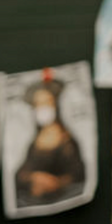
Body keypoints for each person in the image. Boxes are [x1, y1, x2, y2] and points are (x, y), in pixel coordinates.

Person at [13, 78, 87, 210]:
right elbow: (20, 173)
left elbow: (78, 174)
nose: (42, 108)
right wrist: (33, 178)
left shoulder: (67, 140)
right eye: (38, 104)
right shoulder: (35, 141)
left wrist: (56, 182)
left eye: (47, 102)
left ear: (56, 104)